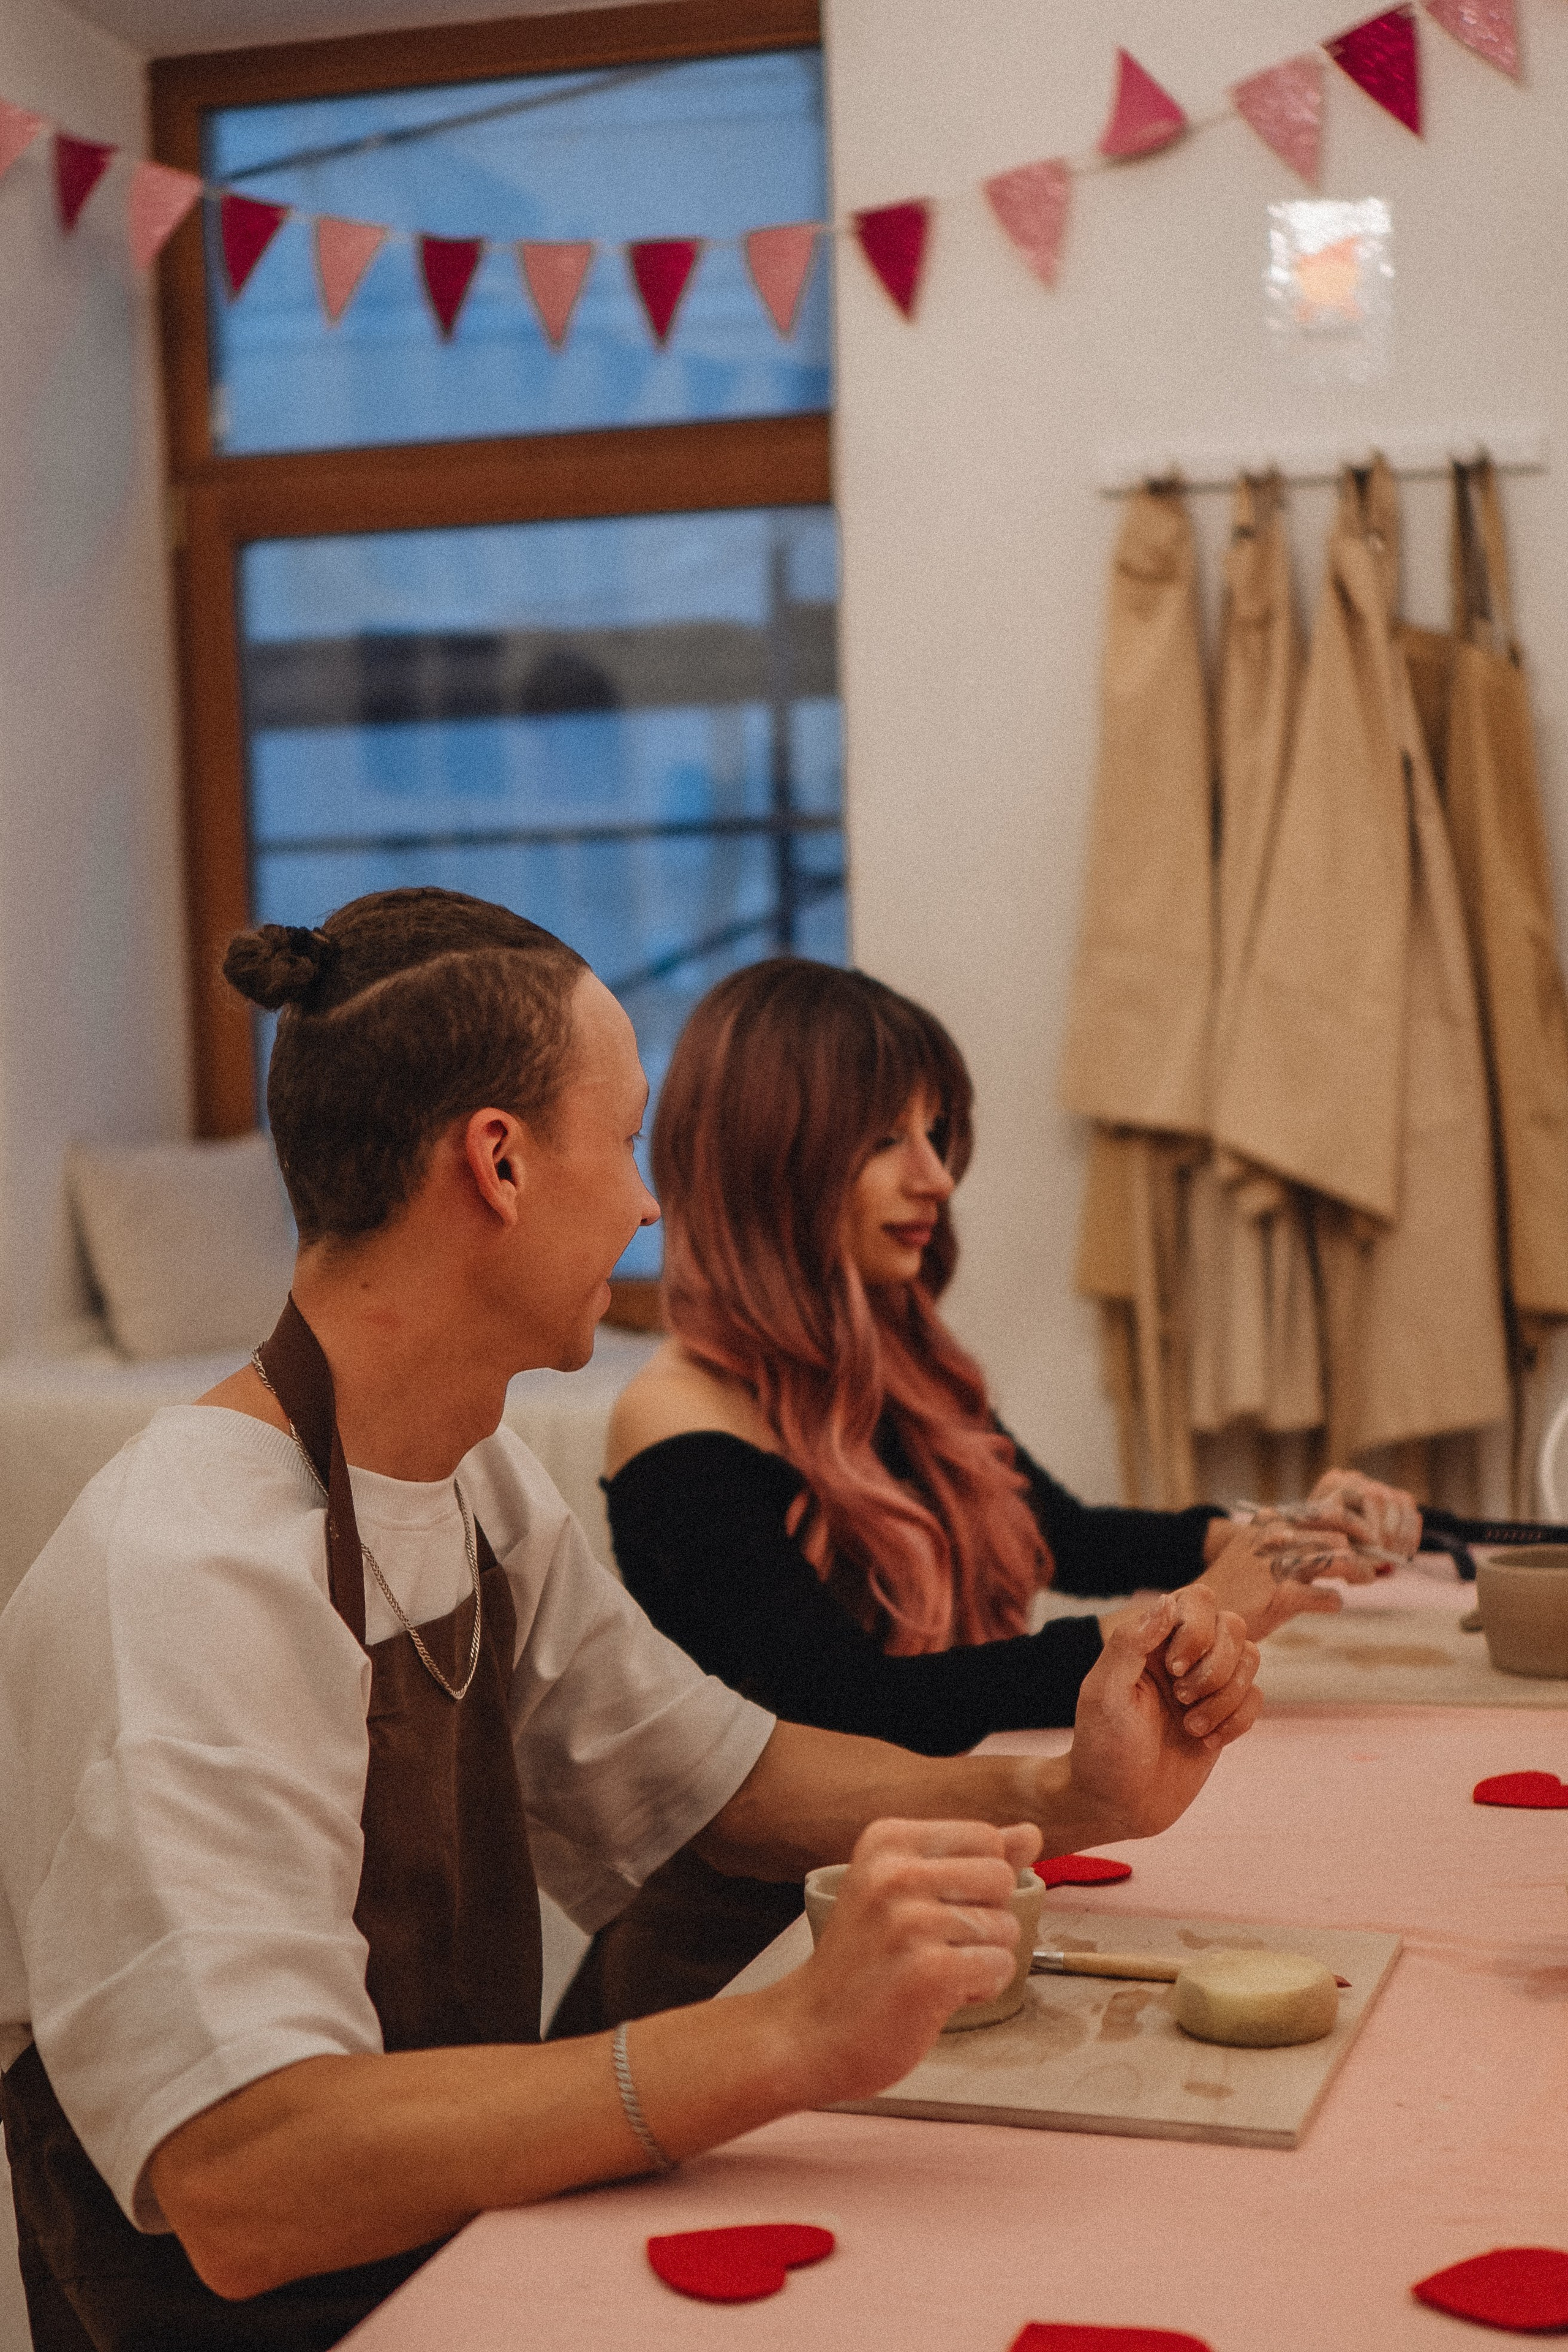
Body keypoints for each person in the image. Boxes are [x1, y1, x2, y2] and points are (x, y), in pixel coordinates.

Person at [0, 890, 1261, 2351]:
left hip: (452, 2264)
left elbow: (715, 1774)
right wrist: (780, 2039)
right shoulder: (187, 1567)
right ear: (500, 1163)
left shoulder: (468, 1485)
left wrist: (1059, 1792)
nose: (650, 1203)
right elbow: (246, 2177)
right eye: (624, 1140)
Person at [559, 959, 1420, 2030]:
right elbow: (848, 1707)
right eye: (884, 1141)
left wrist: (1274, 1534)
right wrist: (1155, 1636)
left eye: (935, 1134)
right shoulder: (677, 1419)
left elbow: (1063, 1533)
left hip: (922, 1898)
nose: (935, 1178)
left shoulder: (899, 1354)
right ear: (768, 1164)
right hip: (737, 1962)